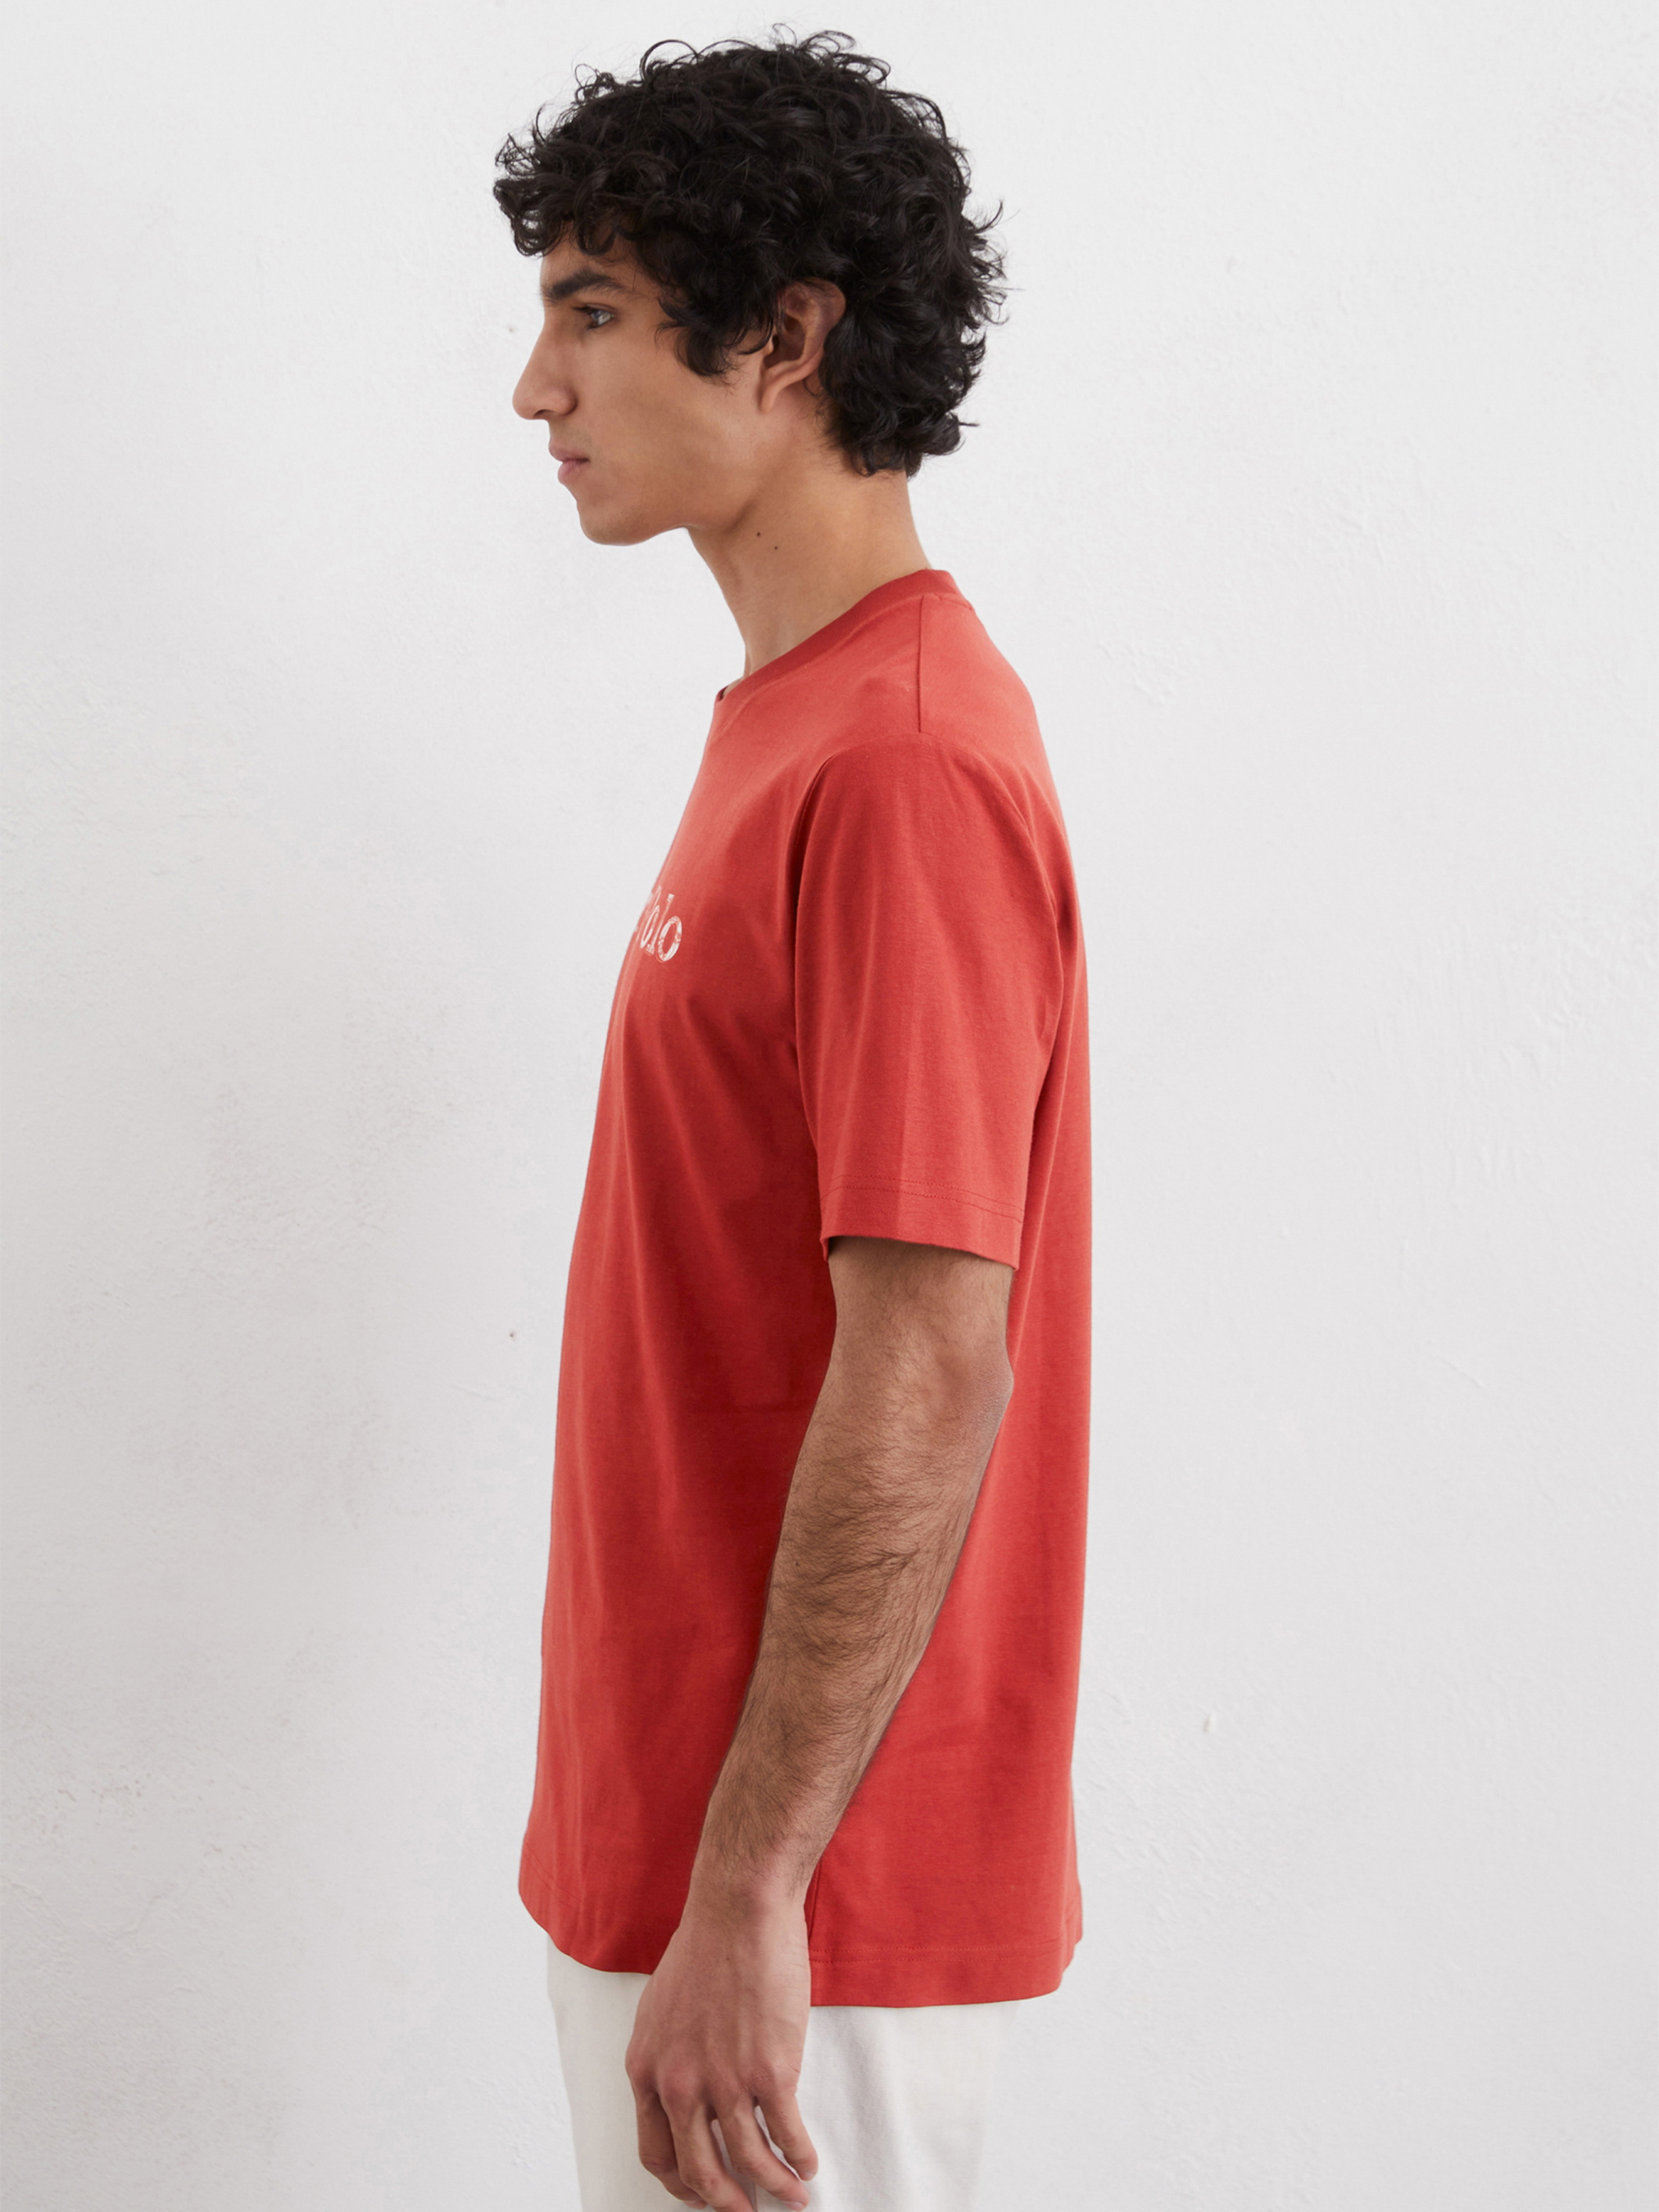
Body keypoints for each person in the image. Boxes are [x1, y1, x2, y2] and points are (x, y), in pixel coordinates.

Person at [494, 31, 1090, 2212]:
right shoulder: (796, 724)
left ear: (786, 337)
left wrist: (753, 1887)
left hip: (805, 1911)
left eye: (592, 311)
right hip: (692, 1858)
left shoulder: (902, 761)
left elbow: (930, 1357)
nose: (536, 388)